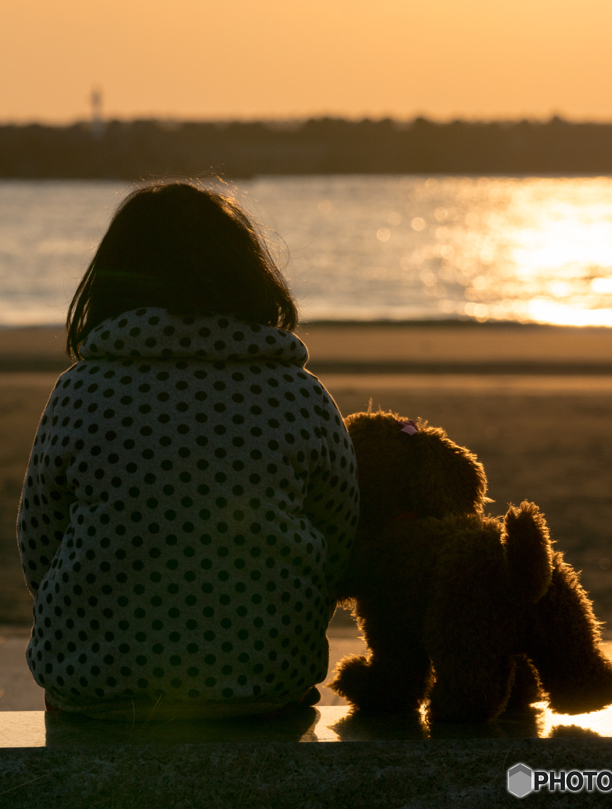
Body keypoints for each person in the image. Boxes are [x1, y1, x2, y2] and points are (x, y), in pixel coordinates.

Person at [17, 182, 358, 721]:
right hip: (264, 680)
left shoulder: (84, 389)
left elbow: (40, 541)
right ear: (248, 274)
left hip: (99, 684)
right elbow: (338, 535)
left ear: (112, 280)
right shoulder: (299, 393)